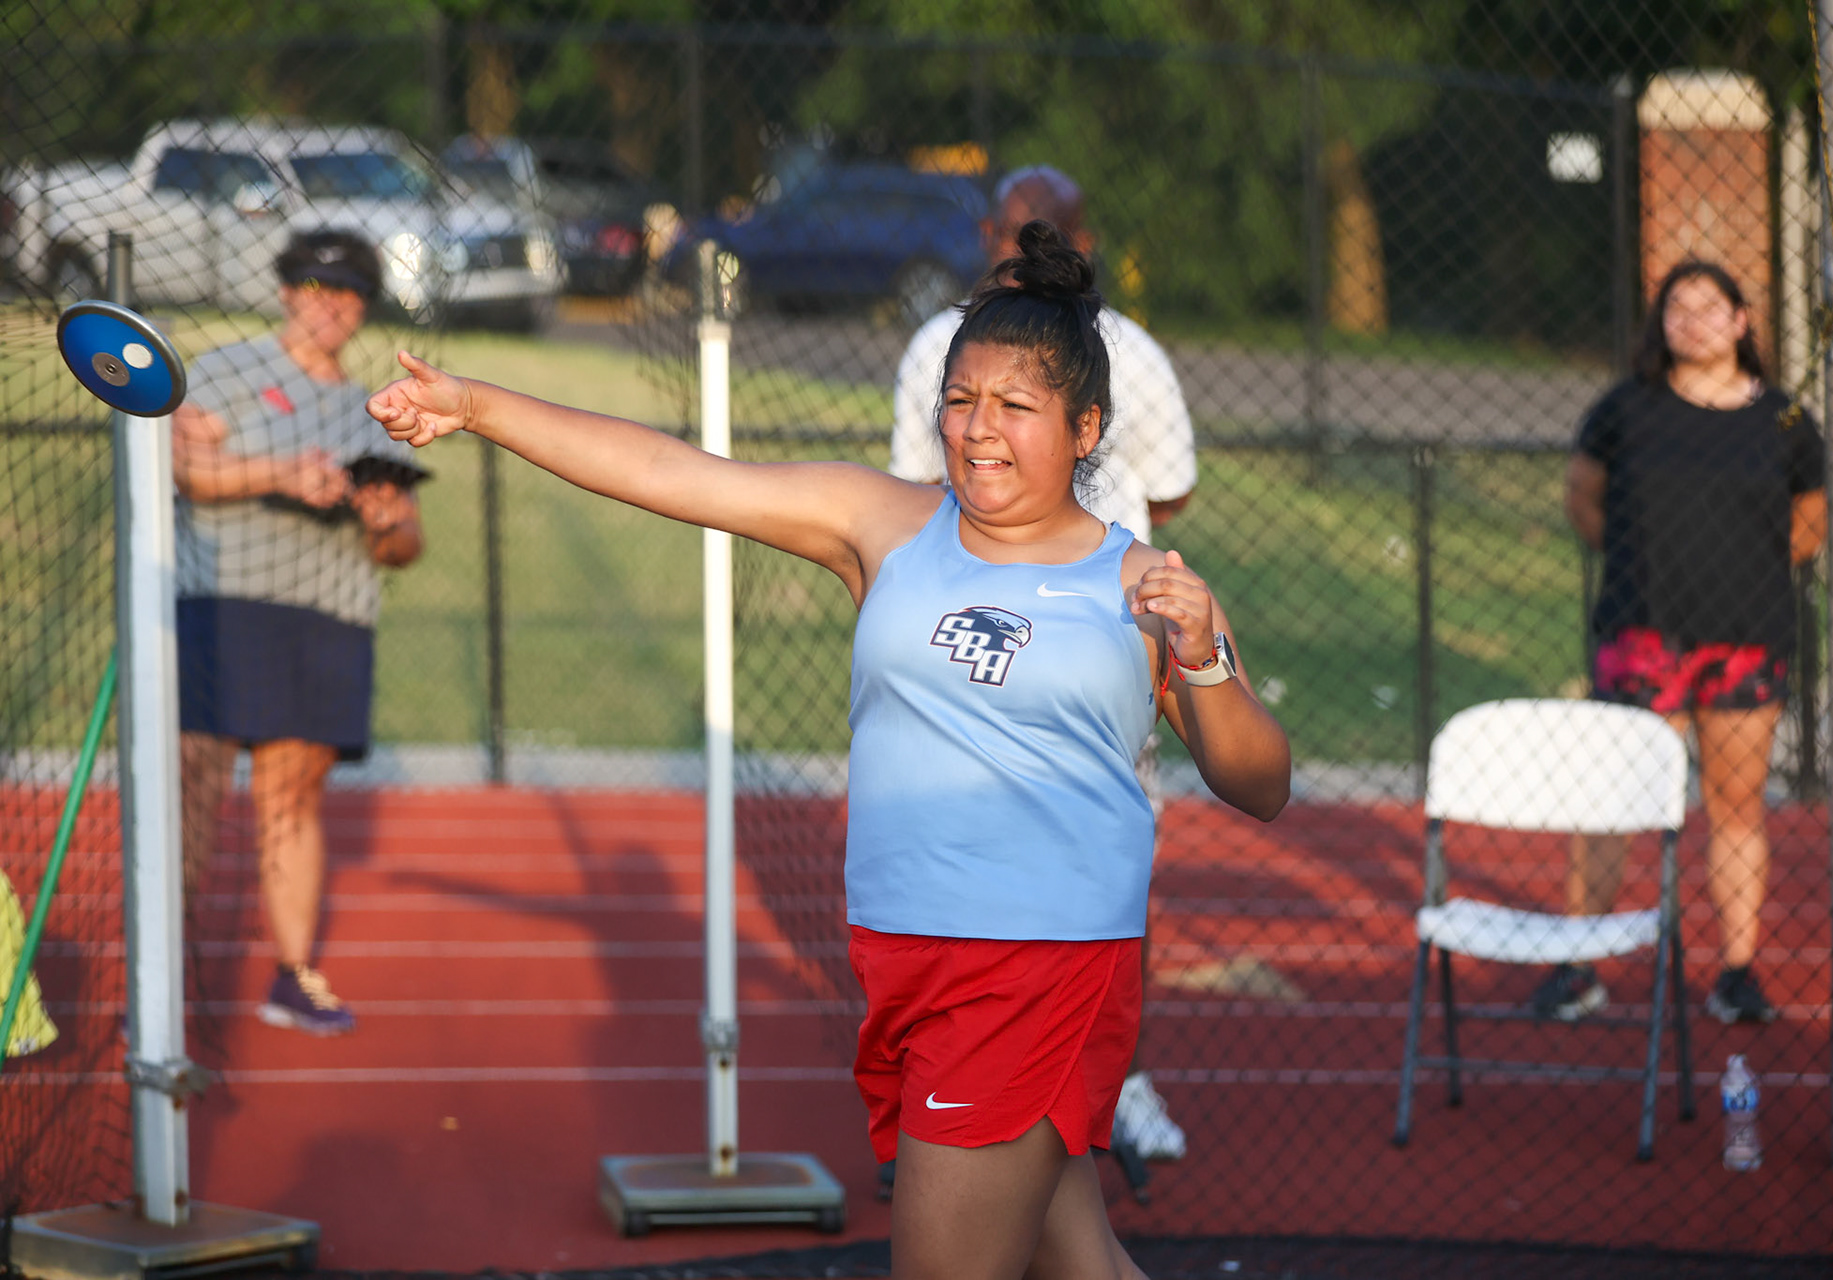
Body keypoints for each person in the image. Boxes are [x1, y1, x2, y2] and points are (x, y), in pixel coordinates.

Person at [370, 222, 1289, 1280]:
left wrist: (1207, 656)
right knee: (1073, 1255)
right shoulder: (883, 524)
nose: (978, 431)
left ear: (1086, 428)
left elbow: (1259, 781)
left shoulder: (1140, 586)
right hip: (908, 958)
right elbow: (675, 474)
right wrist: (478, 405)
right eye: (961, 400)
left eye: (1016, 407)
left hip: (1034, 966)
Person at [891, 164, 1199, 1163]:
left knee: (1111, 855)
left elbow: (1173, 490)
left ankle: (1114, 1078)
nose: (985, 423)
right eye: (971, 404)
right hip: (962, 653)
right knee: (952, 857)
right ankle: (952, 1078)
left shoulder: (1132, 356)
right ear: (985, 235)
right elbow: (906, 503)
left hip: (1100, 660)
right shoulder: (936, 345)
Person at [1534, 260, 1826, 1027]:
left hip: (1745, 639)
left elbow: (1810, 524)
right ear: (1659, 323)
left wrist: (1737, 572)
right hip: (1642, 639)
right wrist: (1645, 566)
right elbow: (1582, 499)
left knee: (1734, 807)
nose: (1691, 320)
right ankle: (1578, 967)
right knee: (1610, 803)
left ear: (1740, 322)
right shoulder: (1624, 410)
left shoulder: (1788, 420)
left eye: (1709, 307)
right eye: (1676, 308)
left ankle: (1736, 970)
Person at [173, 229, 426, 1037]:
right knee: (194, 783)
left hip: (328, 615)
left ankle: (292, 974)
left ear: (363, 307)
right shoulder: (227, 369)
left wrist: (386, 520)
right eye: (315, 286)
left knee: (293, 797)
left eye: (347, 291)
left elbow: (405, 546)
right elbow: (187, 473)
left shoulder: (377, 408)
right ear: (285, 290)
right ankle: (166, 973)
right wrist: (282, 475)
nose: (330, 303)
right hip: (223, 598)